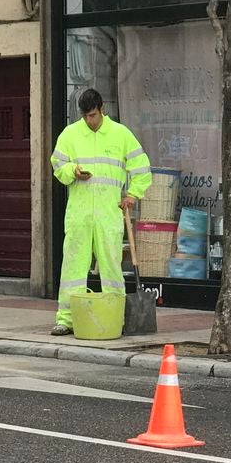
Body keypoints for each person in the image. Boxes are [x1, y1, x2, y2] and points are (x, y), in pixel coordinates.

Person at [48, 89, 152, 336]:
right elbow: (57, 166)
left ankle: (115, 317)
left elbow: (141, 167)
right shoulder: (70, 135)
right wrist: (73, 171)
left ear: (102, 109)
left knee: (111, 267)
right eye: (85, 116)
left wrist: (132, 194)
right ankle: (66, 318)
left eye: (93, 115)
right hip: (80, 214)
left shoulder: (121, 134)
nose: (89, 121)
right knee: (73, 267)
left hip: (108, 213)